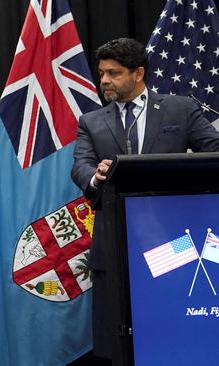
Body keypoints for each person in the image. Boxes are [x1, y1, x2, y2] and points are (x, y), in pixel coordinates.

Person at [71, 38, 219, 363]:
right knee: (118, 342)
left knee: (175, 329)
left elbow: (215, 152)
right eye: (102, 73)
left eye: (114, 73)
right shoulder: (92, 121)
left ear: (138, 73)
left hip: (177, 245)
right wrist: (96, 175)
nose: (105, 81)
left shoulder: (179, 108)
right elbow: (80, 166)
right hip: (115, 245)